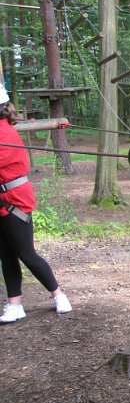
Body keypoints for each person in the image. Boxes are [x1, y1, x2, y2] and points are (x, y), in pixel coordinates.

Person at [0, 84, 71, 323]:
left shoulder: (4, 134)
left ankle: (59, 295)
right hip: (4, 201)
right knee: (6, 254)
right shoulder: (5, 128)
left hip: (13, 201)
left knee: (26, 253)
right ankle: (15, 304)